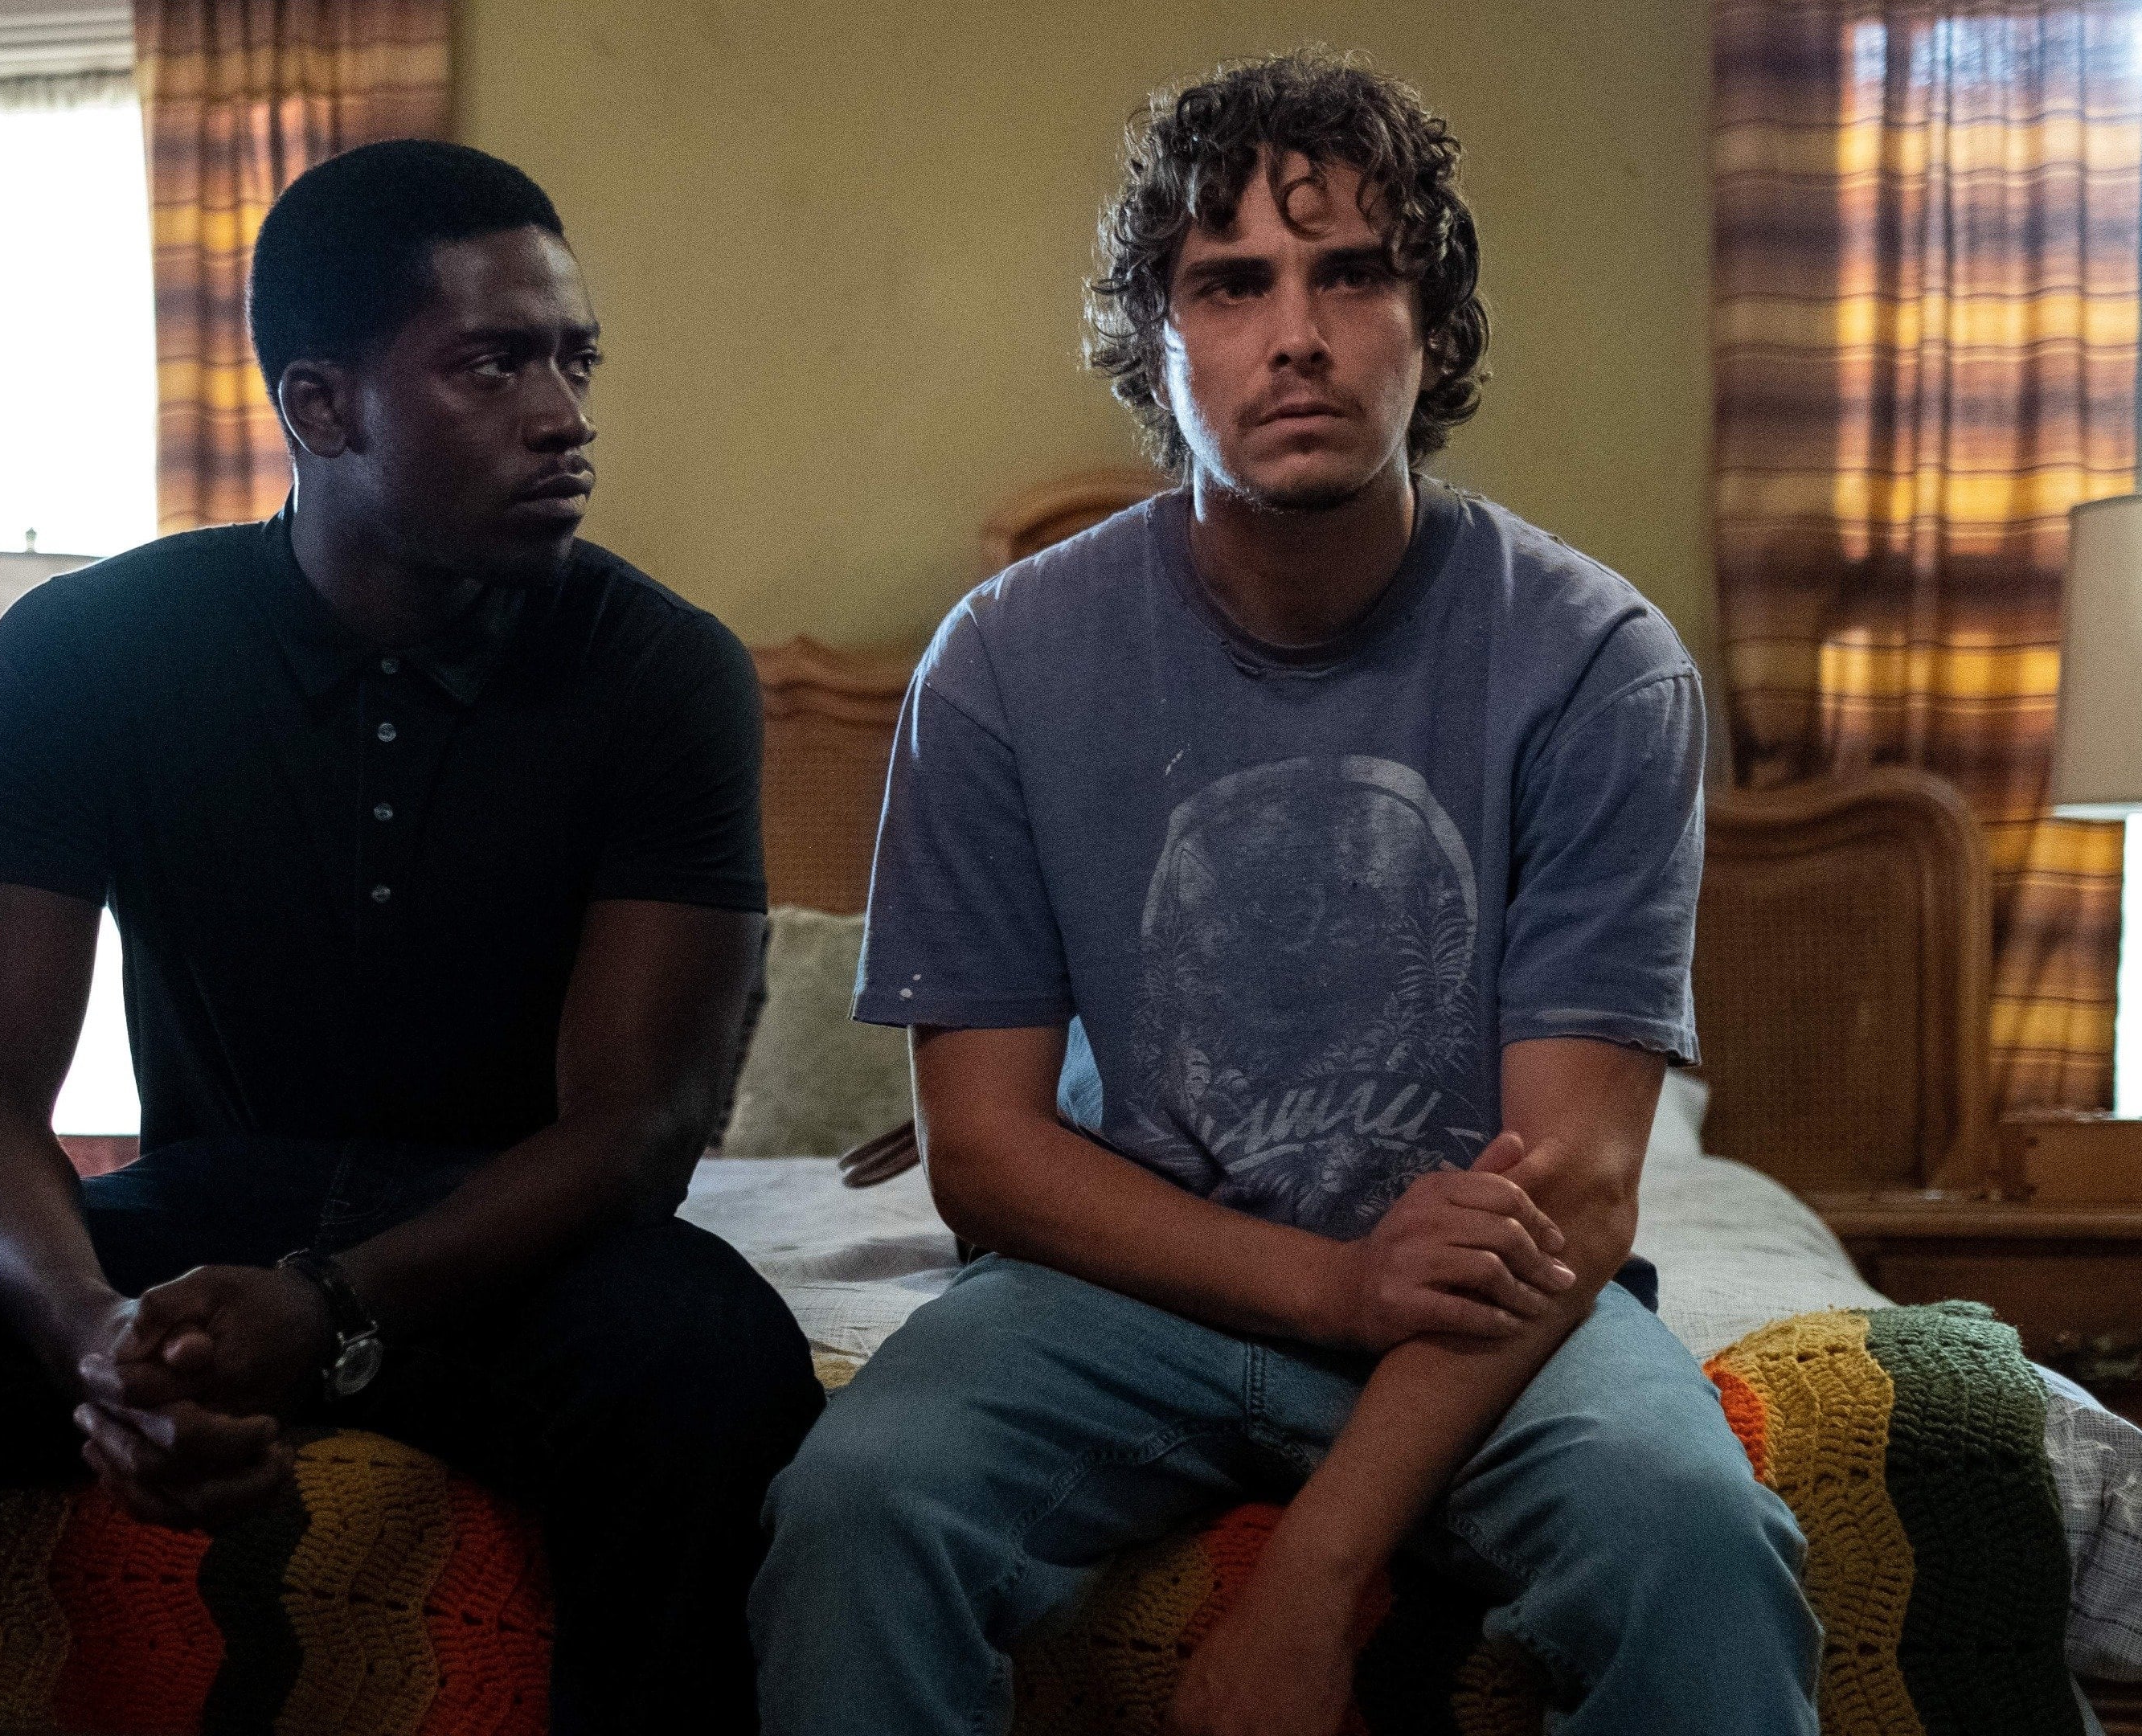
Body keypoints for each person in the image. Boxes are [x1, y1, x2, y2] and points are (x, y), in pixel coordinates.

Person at [0, 139, 821, 1736]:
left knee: (720, 1364)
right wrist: (92, 1337)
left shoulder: (664, 672)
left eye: (574, 360)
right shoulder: (87, 653)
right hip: (200, 1208)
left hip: (524, 1248)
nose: (565, 415)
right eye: (494, 364)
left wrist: (329, 1304)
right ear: (322, 407)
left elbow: (640, 1130)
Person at [752, 51, 1820, 1736]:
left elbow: (1582, 1183)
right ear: (1158, 342)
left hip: (1486, 1304)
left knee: (1701, 1542)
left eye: (1354, 274)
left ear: (1432, 325)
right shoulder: (1004, 665)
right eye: (1231, 284)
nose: (1296, 335)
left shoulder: (1593, 662)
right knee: (851, 1512)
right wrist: (1333, 1286)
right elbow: (987, 1155)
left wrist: (1311, 1580)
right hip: (1117, 1291)